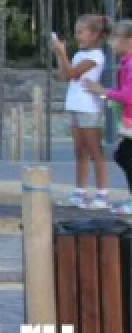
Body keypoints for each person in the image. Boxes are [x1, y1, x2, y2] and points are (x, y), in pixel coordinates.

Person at [56, 16, 111, 209]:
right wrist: (60, 55)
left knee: (95, 151)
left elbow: (73, 73)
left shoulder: (96, 56)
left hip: (89, 108)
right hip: (75, 105)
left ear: (94, 35)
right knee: (80, 151)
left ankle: (102, 193)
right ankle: (80, 192)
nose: (77, 35)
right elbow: (64, 75)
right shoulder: (80, 54)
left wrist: (62, 53)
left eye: (81, 32)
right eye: (76, 31)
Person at [86, 20, 132, 216]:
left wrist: (102, 91)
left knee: (125, 155)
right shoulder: (126, 63)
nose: (110, 42)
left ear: (129, 41)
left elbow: (129, 95)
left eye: (115, 38)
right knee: (123, 155)